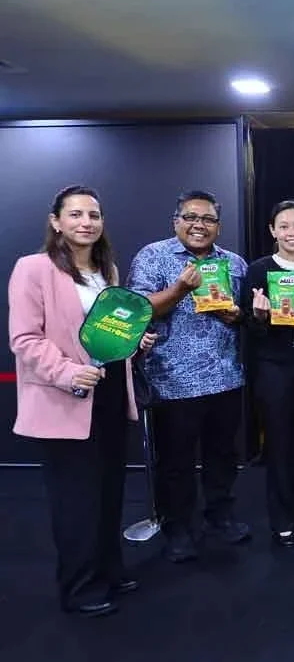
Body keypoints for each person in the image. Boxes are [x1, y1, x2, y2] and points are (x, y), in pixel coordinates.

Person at [8, 185, 156, 617]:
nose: (85, 222)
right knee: (76, 500)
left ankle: (109, 569)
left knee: (110, 491)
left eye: (93, 214)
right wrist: (70, 374)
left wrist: (133, 342)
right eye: (75, 214)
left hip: (109, 392)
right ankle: (78, 586)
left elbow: (104, 334)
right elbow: (25, 339)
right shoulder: (32, 269)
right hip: (65, 396)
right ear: (56, 221)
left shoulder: (106, 271)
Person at [127, 190, 250, 563]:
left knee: (223, 456)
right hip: (172, 381)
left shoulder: (234, 263)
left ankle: (220, 516)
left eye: (208, 219)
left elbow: (242, 312)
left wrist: (237, 315)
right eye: (191, 217)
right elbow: (139, 308)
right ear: (176, 221)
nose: (199, 225)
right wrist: (180, 288)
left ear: (219, 225)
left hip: (226, 377)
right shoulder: (153, 256)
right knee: (176, 462)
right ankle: (177, 528)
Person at [242, 200, 294, 547]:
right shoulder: (258, 270)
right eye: (284, 226)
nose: (291, 232)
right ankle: (280, 520)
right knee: (278, 442)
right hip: (272, 368)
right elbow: (247, 325)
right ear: (272, 231)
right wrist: (260, 317)